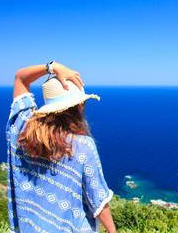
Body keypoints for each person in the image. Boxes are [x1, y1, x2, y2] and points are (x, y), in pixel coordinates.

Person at [6, 61, 116, 233]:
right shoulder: (82, 146)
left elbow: (20, 78)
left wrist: (52, 67)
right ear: (80, 106)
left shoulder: (22, 128)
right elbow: (98, 200)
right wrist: (112, 231)